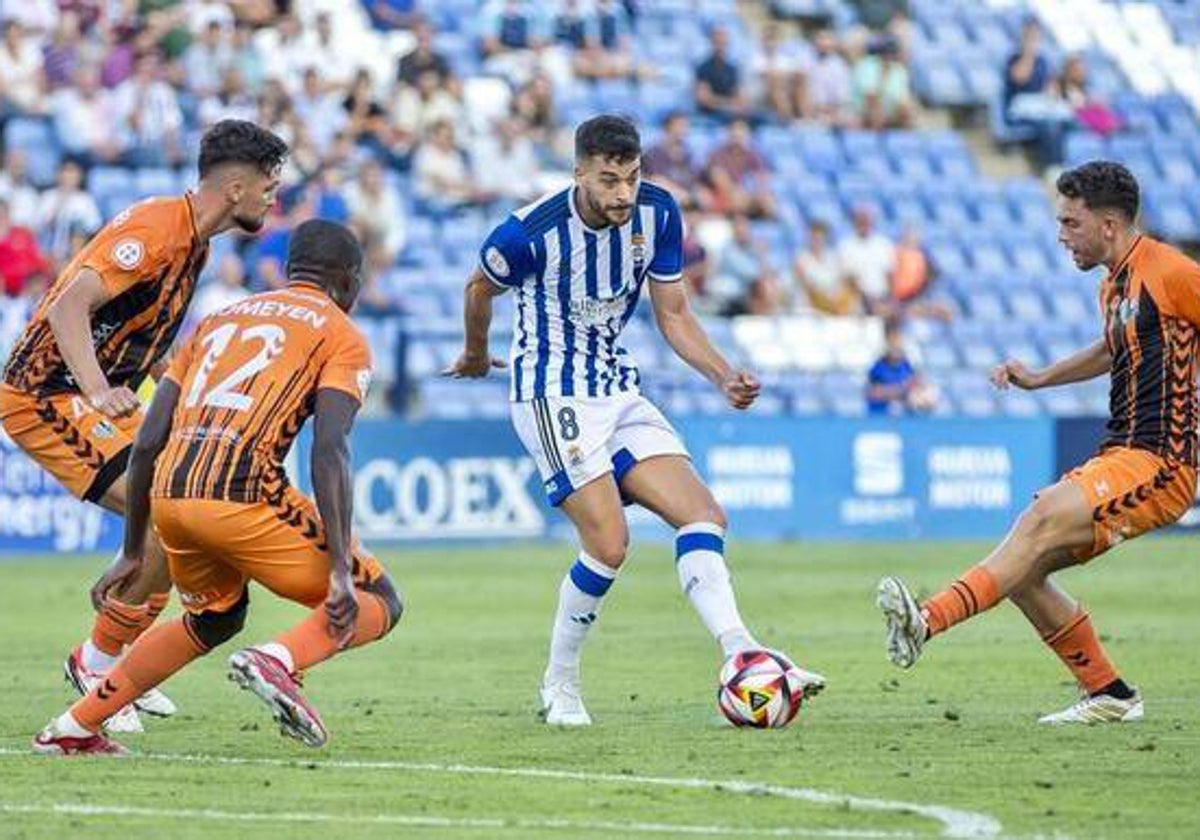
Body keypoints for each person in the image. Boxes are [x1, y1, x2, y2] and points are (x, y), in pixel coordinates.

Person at [447, 115, 825, 726]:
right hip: (550, 394)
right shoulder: (527, 233)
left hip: (616, 388)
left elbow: (673, 314)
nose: (623, 193)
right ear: (579, 173)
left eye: (631, 176)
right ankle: (560, 684)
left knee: (704, 516)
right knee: (609, 543)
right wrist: (473, 351)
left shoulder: (659, 212)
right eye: (608, 180)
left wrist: (722, 373)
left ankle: (740, 654)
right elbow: (477, 288)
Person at [33, 220, 403, 755]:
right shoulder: (341, 334)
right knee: (378, 598)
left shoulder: (217, 319)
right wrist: (341, 570)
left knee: (214, 617)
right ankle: (277, 660)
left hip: (172, 496)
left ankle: (73, 727)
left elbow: (147, 441)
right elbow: (330, 450)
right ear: (348, 280)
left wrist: (134, 549)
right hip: (241, 493)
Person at [877, 162, 1200, 723]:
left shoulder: (1171, 271)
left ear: (1108, 224)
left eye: (1071, 222)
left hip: (1161, 462)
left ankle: (926, 620)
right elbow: (1112, 348)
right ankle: (1110, 694)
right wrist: (1041, 377)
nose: (1060, 234)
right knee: (1023, 567)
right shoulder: (1114, 284)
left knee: (1040, 517)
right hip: (1120, 452)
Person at [0, 119, 288, 733]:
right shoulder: (157, 228)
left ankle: (111, 660)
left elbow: (145, 331)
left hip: (98, 394)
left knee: (182, 512)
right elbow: (72, 303)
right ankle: (98, 664)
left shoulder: (196, 243)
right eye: (270, 183)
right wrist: (98, 389)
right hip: (45, 394)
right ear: (235, 186)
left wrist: (175, 391)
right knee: (165, 512)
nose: (274, 196)